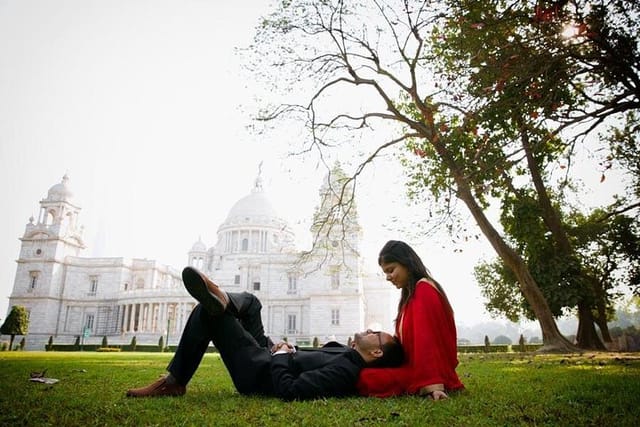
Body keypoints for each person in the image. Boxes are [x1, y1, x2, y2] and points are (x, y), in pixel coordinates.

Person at [126, 266, 404, 401]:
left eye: (375, 333)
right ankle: (223, 298)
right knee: (252, 303)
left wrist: (282, 356)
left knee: (206, 313)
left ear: (377, 351)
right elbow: (310, 364)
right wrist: (289, 350)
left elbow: (290, 390)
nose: (370, 329)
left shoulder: (346, 369)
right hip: (270, 356)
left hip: (259, 372)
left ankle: (174, 381)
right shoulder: (347, 355)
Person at [356, 240, 464, 400]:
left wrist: (433, 385)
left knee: (364, 377)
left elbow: (426, 340)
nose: (388, 277)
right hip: (415, 368)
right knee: (361, 370)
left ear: (407, 263)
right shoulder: (410, 295)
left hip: (428, 373)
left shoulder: (424, 289)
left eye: (391, 270)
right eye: (385, 273)